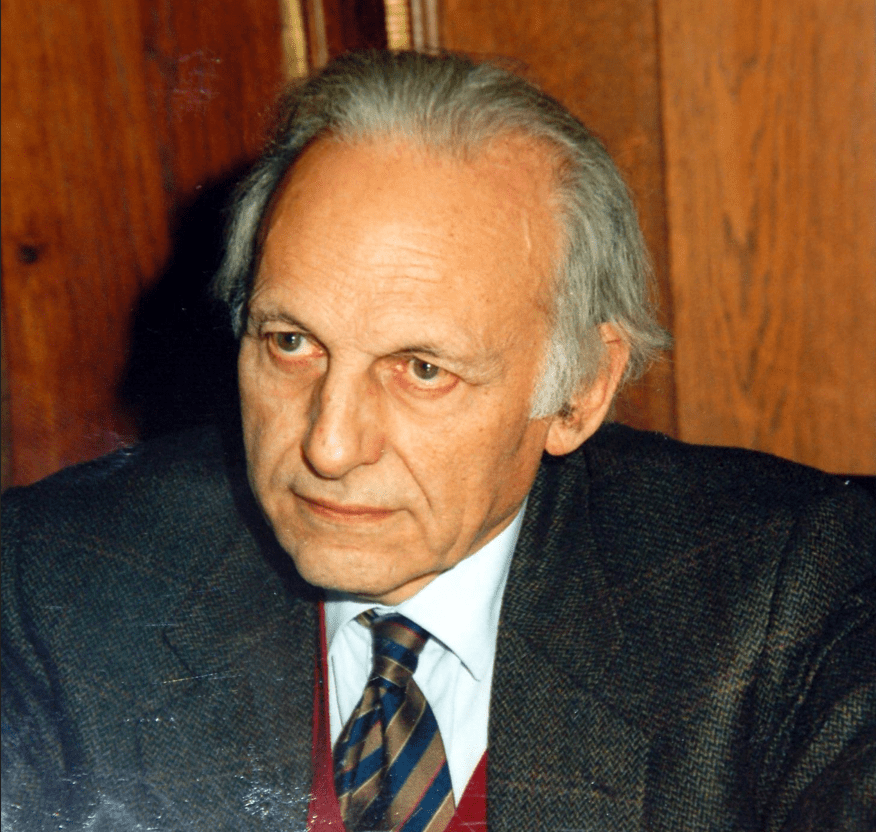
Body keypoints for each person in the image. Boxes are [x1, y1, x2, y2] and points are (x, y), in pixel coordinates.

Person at [2, 50, 874, 832]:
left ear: (579, 391)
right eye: (291, 343)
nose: (329, 446)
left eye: (421, 368)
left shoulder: (788, 600)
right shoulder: (55, 588)